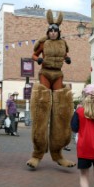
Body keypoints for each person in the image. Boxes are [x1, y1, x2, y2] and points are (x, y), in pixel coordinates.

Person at [26, 9, 75, 169]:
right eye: (51, 30)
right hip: (46, 73)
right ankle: (37, 154)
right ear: (48, 31)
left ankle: (58, 154)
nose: (53, 33)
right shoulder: (43, 42)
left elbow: (66, 56)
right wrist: (38, 59)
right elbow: (33, 55)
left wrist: (67, 59)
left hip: (58, 74)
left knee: (60, 112)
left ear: (59, 32)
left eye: (55, 30)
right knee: (42, 110)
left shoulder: (63, 43)